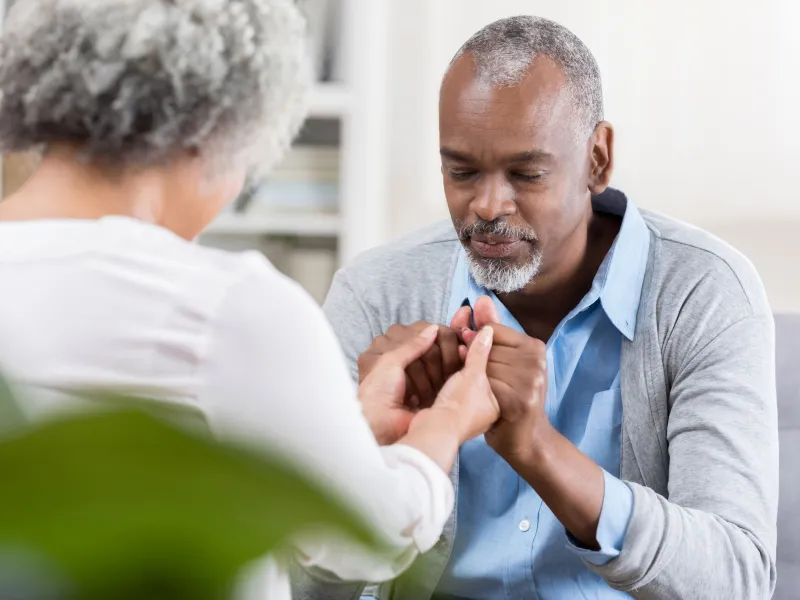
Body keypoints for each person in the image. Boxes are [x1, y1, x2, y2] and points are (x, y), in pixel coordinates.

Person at [0, 1, 503, 598]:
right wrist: (448, 422)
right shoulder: (225, 305)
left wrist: (342, 430)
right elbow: (367, 534)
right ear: (212, 129)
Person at [291, 15, 779, 600]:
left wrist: (537, 449)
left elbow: (736, 578)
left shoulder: (703, 291)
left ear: (597, 159)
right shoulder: (375, 294)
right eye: (460, 171)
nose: (488, 205)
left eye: (526, 174)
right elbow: (290, 586)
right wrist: (374, 466)